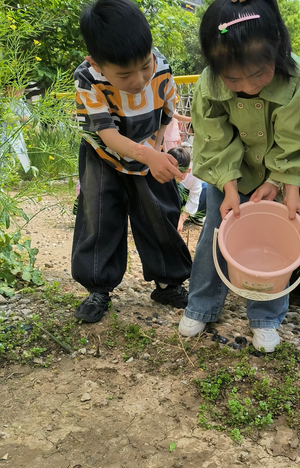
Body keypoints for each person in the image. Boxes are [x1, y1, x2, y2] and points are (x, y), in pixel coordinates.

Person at [177, 0, 300, 352]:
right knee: (216, 233)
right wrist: (227, 188)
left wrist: (281, 186)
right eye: (233, 79)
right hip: (229, 175)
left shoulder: (297, 81)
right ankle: (201, 305)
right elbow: (213, 138)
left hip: (284, 176)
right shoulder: (209, 85)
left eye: (258, 74)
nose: (248, 86)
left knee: (280, 238)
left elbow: (295, 139)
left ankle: (266, 317)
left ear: (277, 45)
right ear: (215, 67)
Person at [72, 0, 192, 323]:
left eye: (144, 65)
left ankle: (168, 282)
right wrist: (147, 154)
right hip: (102, 156)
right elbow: (108, 136)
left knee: (160, 211)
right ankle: (98, 287)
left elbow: (166, 111)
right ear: (95, 63)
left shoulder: (161, 68)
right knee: (99, 216)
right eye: (125, 74)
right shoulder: (87, 80)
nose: (139, 79)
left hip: (147, 148)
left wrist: (156, 145)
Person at [167, 146, 207, 230]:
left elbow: (194, 199)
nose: (176, 177)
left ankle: (195, 217)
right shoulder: (163, 171)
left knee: (206, 188)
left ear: (188, 171)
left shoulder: (194, 175)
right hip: (173, 196)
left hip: (189, 195)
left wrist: (181, 219)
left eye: (180, 175)